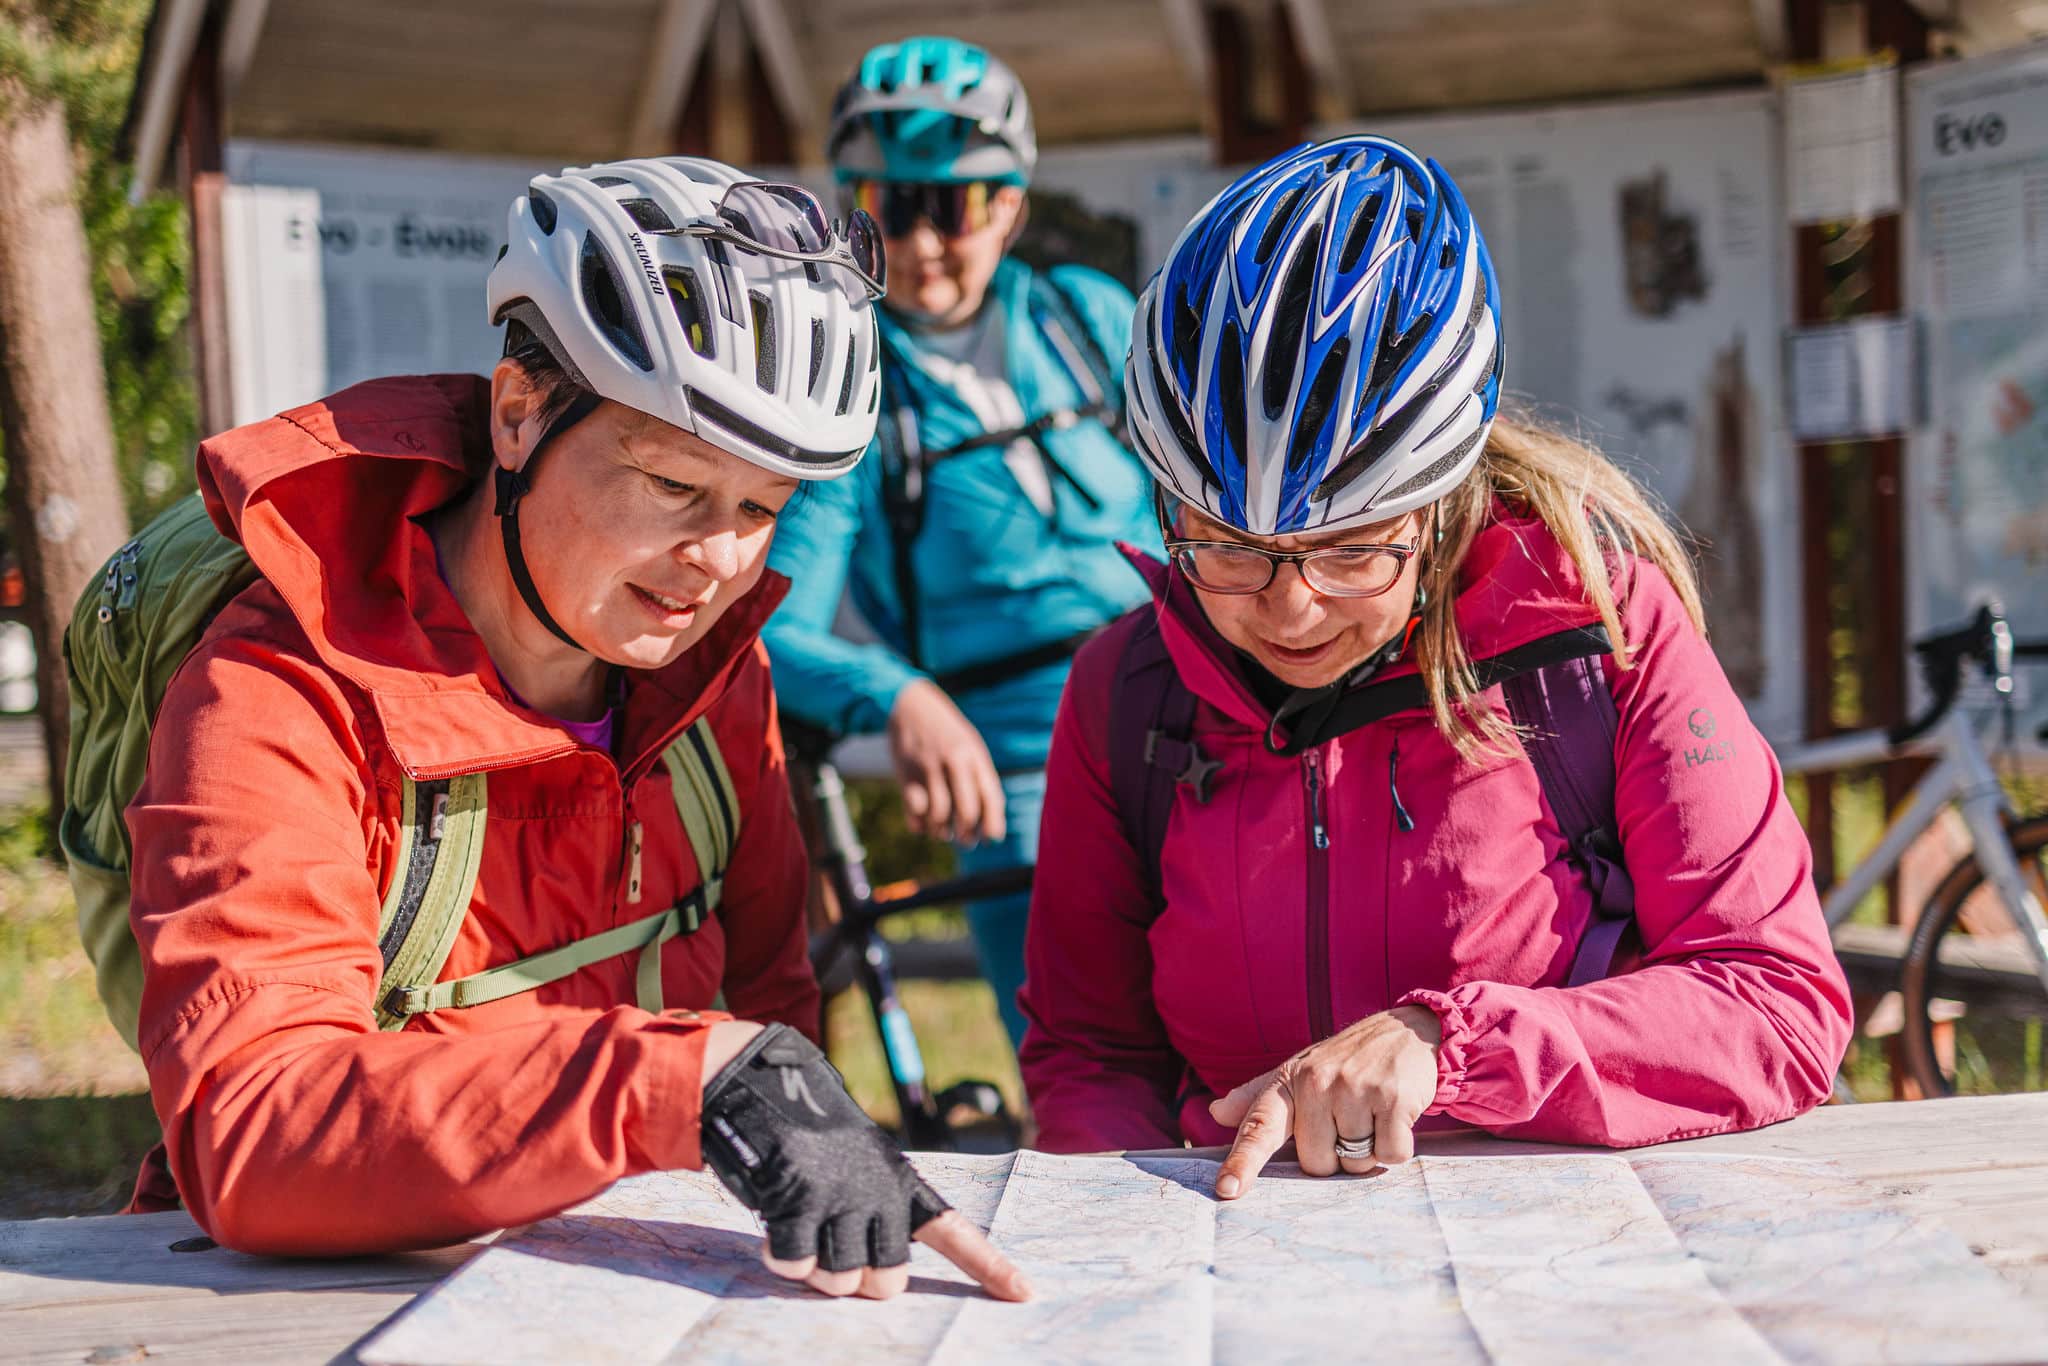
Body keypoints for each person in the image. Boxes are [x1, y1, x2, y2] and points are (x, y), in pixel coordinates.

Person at [113, 156, 1026, 1301]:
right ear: (517, 412)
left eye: (761, 508)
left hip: (638, 1291)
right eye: (672, 485)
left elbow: (769, 1002)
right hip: (328, 1310)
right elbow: (249, 1127)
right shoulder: (278, 697)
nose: (720, 561)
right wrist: (670, 1084)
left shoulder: (712, 677)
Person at [1018, 136, 1853, 1194]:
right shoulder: (1127, 692)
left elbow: (1774, 1002)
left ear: (1441, 498)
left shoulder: (1600, 637)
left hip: (1557, 1252)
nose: (1288, 605)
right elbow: (1093, 1052)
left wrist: (1448, 1046)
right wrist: (1125, 1232)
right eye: (1224, 545)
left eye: (1352, 548)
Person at [762, 36, 1159, 1047]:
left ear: (1014, 206)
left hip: (1193, 729)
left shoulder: (1089, 316)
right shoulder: (848, 387)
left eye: (958, 204)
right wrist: (896, 694)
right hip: (1021, 774)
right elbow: (768, 628)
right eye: (891, 206)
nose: (925, 242)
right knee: (1082, 1061)